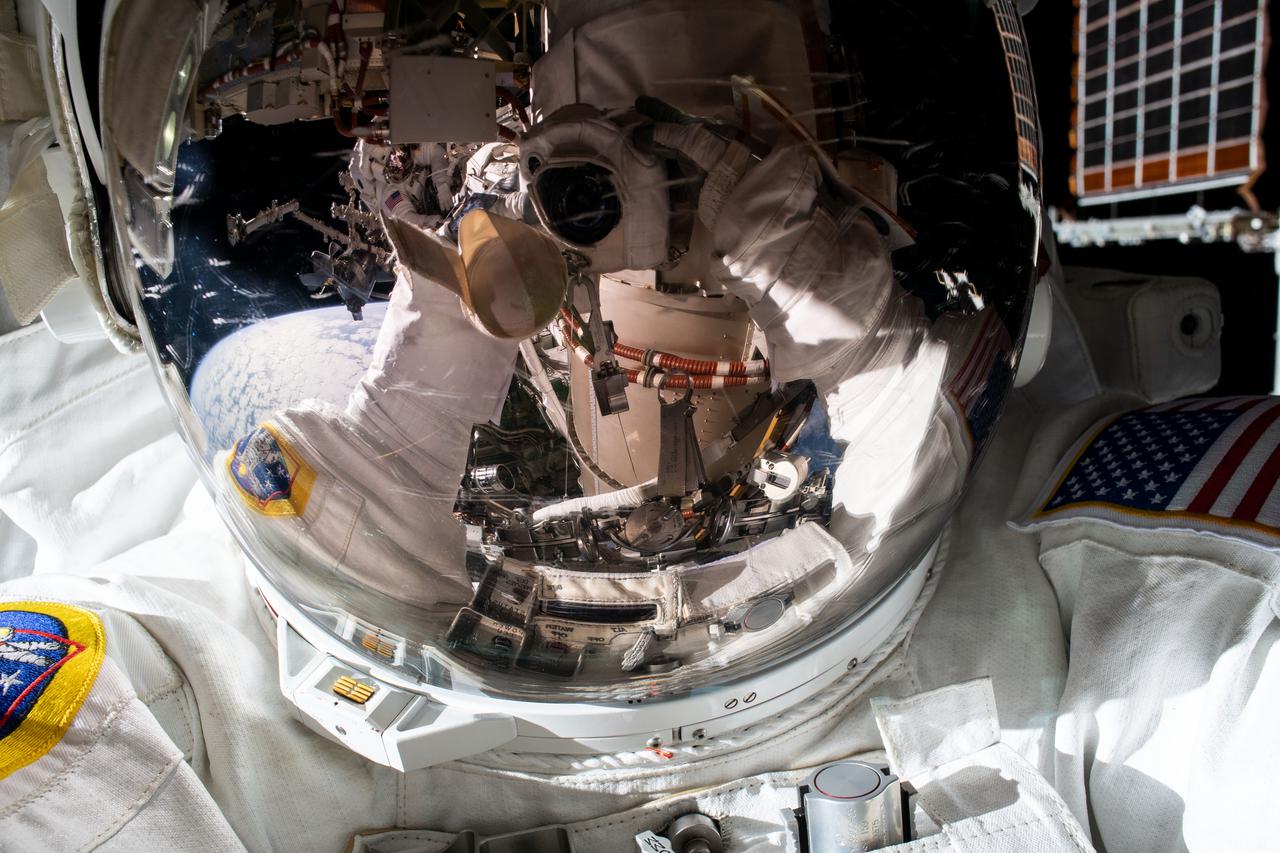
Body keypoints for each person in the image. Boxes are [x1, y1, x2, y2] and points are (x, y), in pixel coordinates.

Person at [0, 2, 1275, 852]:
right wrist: (464, 303)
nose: (619, 221)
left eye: (706, 151)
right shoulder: (170, 698)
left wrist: (849, 324)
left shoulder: (1116, 576)